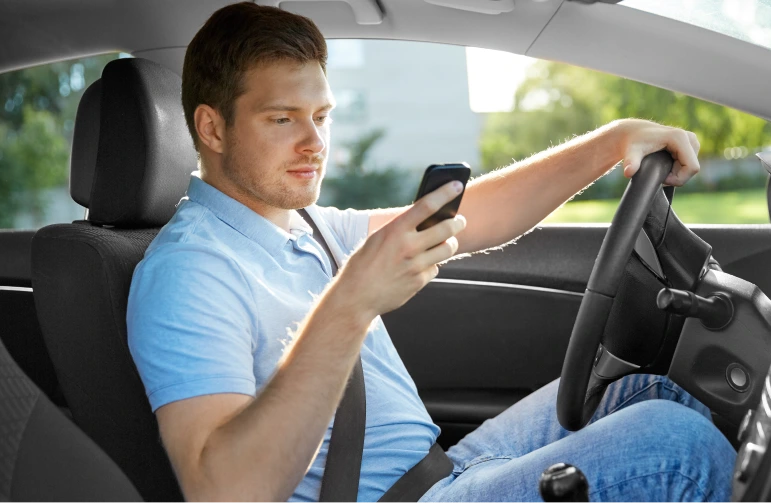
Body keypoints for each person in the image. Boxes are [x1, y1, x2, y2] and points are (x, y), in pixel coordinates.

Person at [127, 2, 736, 502]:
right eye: (284, 119)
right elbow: (223, 492)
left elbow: (481, 218)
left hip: (442, 471)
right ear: (211, 129)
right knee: (675, 445)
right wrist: (350, 303)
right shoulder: (188, 271)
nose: (315, 143)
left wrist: (611, 143)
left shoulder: (306, 226)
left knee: (648, 389)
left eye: (322, 115)